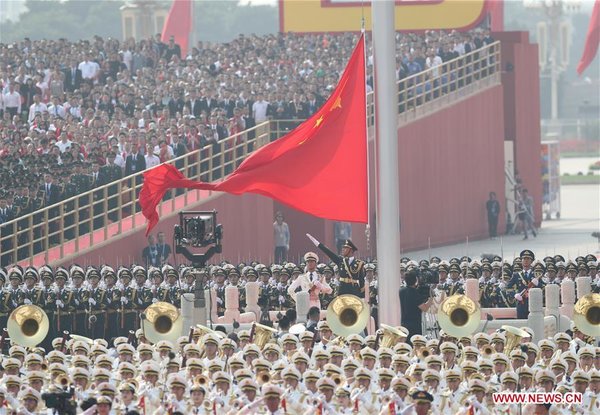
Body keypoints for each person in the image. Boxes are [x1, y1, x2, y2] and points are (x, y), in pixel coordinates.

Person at [307, 234, 365, 298]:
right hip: (342, 290)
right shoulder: (340, 260)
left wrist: (362, 297)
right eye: (343, 248)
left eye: (345, 248)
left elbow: (362, 281)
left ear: (351, 250)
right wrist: (316, 242)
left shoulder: (359, 263)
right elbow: (327, 252)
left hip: (354, 290)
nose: (342, 249)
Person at [399, 269, 431, 342]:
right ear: (416, 280)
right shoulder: (415, 293)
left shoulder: (401, 291)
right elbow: (424, 308)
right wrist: (431, 300)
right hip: (414, 325)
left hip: (403, 323)